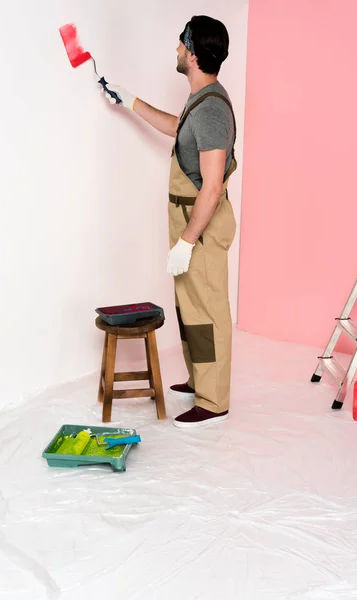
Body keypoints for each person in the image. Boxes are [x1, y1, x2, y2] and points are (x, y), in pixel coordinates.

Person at [100, 15, 237, 428]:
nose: (177, 49)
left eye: (182, 43)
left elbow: (211, 187)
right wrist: (130, 102)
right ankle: (200, 379)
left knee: (208, 310)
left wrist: (188, 241)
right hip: (187, 219)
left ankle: (215, 402)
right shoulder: (200, 99)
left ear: (193, 55)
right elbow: (179, 131)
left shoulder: (212, 109)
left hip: (201, 224)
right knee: (190, 307)